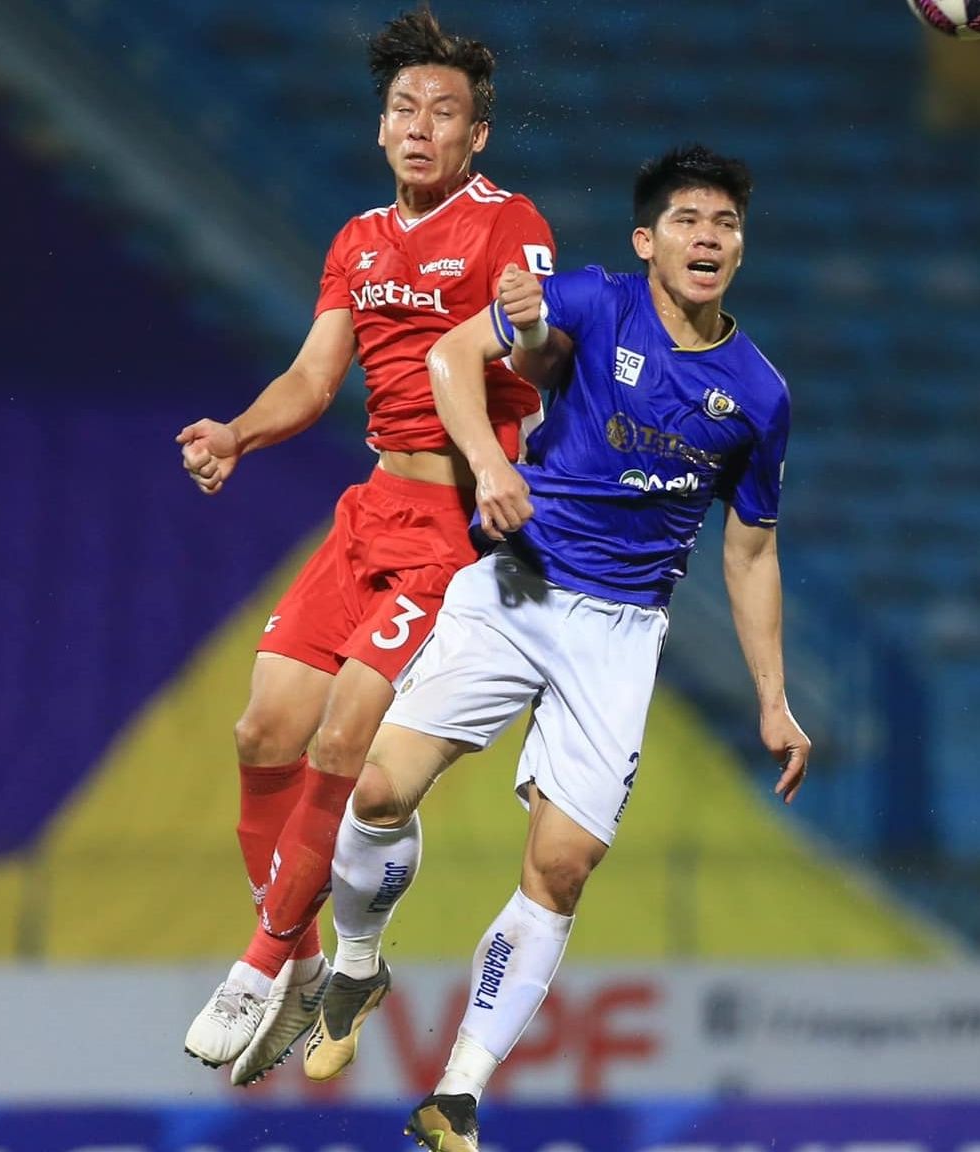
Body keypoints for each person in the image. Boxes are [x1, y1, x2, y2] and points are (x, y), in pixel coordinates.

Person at [303, 145, 811, 1151]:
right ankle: (356, 966)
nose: (707, 236)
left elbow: (750, 553)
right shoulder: (588, 301)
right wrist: (490, 462)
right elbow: (449, 357)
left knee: (564, 868)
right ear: (645, 241)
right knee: (377, 793)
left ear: (740, 250)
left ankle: (456, 1091)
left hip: (619, 636)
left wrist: (773, 697)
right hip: (515, 589)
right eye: (687, 220)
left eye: (725, 224)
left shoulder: (758, 396)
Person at [175, 5, 556, 1084]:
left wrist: (528, 322)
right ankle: (307, 959)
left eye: (444, 110)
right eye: (403, 107)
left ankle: (258, 966)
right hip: (369, 514)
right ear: (380, 126)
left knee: (347, 741)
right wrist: (238, 434)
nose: (421, 125)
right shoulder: (357, 241)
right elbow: (312, 377)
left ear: (476, 134)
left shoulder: (504, 223)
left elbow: (535, 361)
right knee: (263, 730)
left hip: (452, 532)